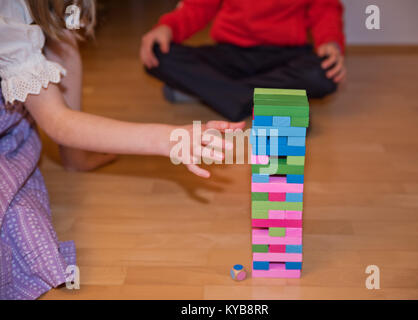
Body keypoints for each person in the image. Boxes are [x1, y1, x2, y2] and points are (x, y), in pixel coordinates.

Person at [0, 0, 244, 300]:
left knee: (26, 231)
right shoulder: (8, 18)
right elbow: (58, 121)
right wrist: (168, 139)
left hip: (13, 129)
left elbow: (64, 48)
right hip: (15, 124)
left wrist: (75, 155)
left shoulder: (46, 13)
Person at [141, 0, 346, 121]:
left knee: (322, 74)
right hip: (231, 53)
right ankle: (274, 100)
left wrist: (330, 41)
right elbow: (198, 6)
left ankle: (218, 94)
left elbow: (325, 8)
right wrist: (168, 27)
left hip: (286, 55)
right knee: (158, 54)